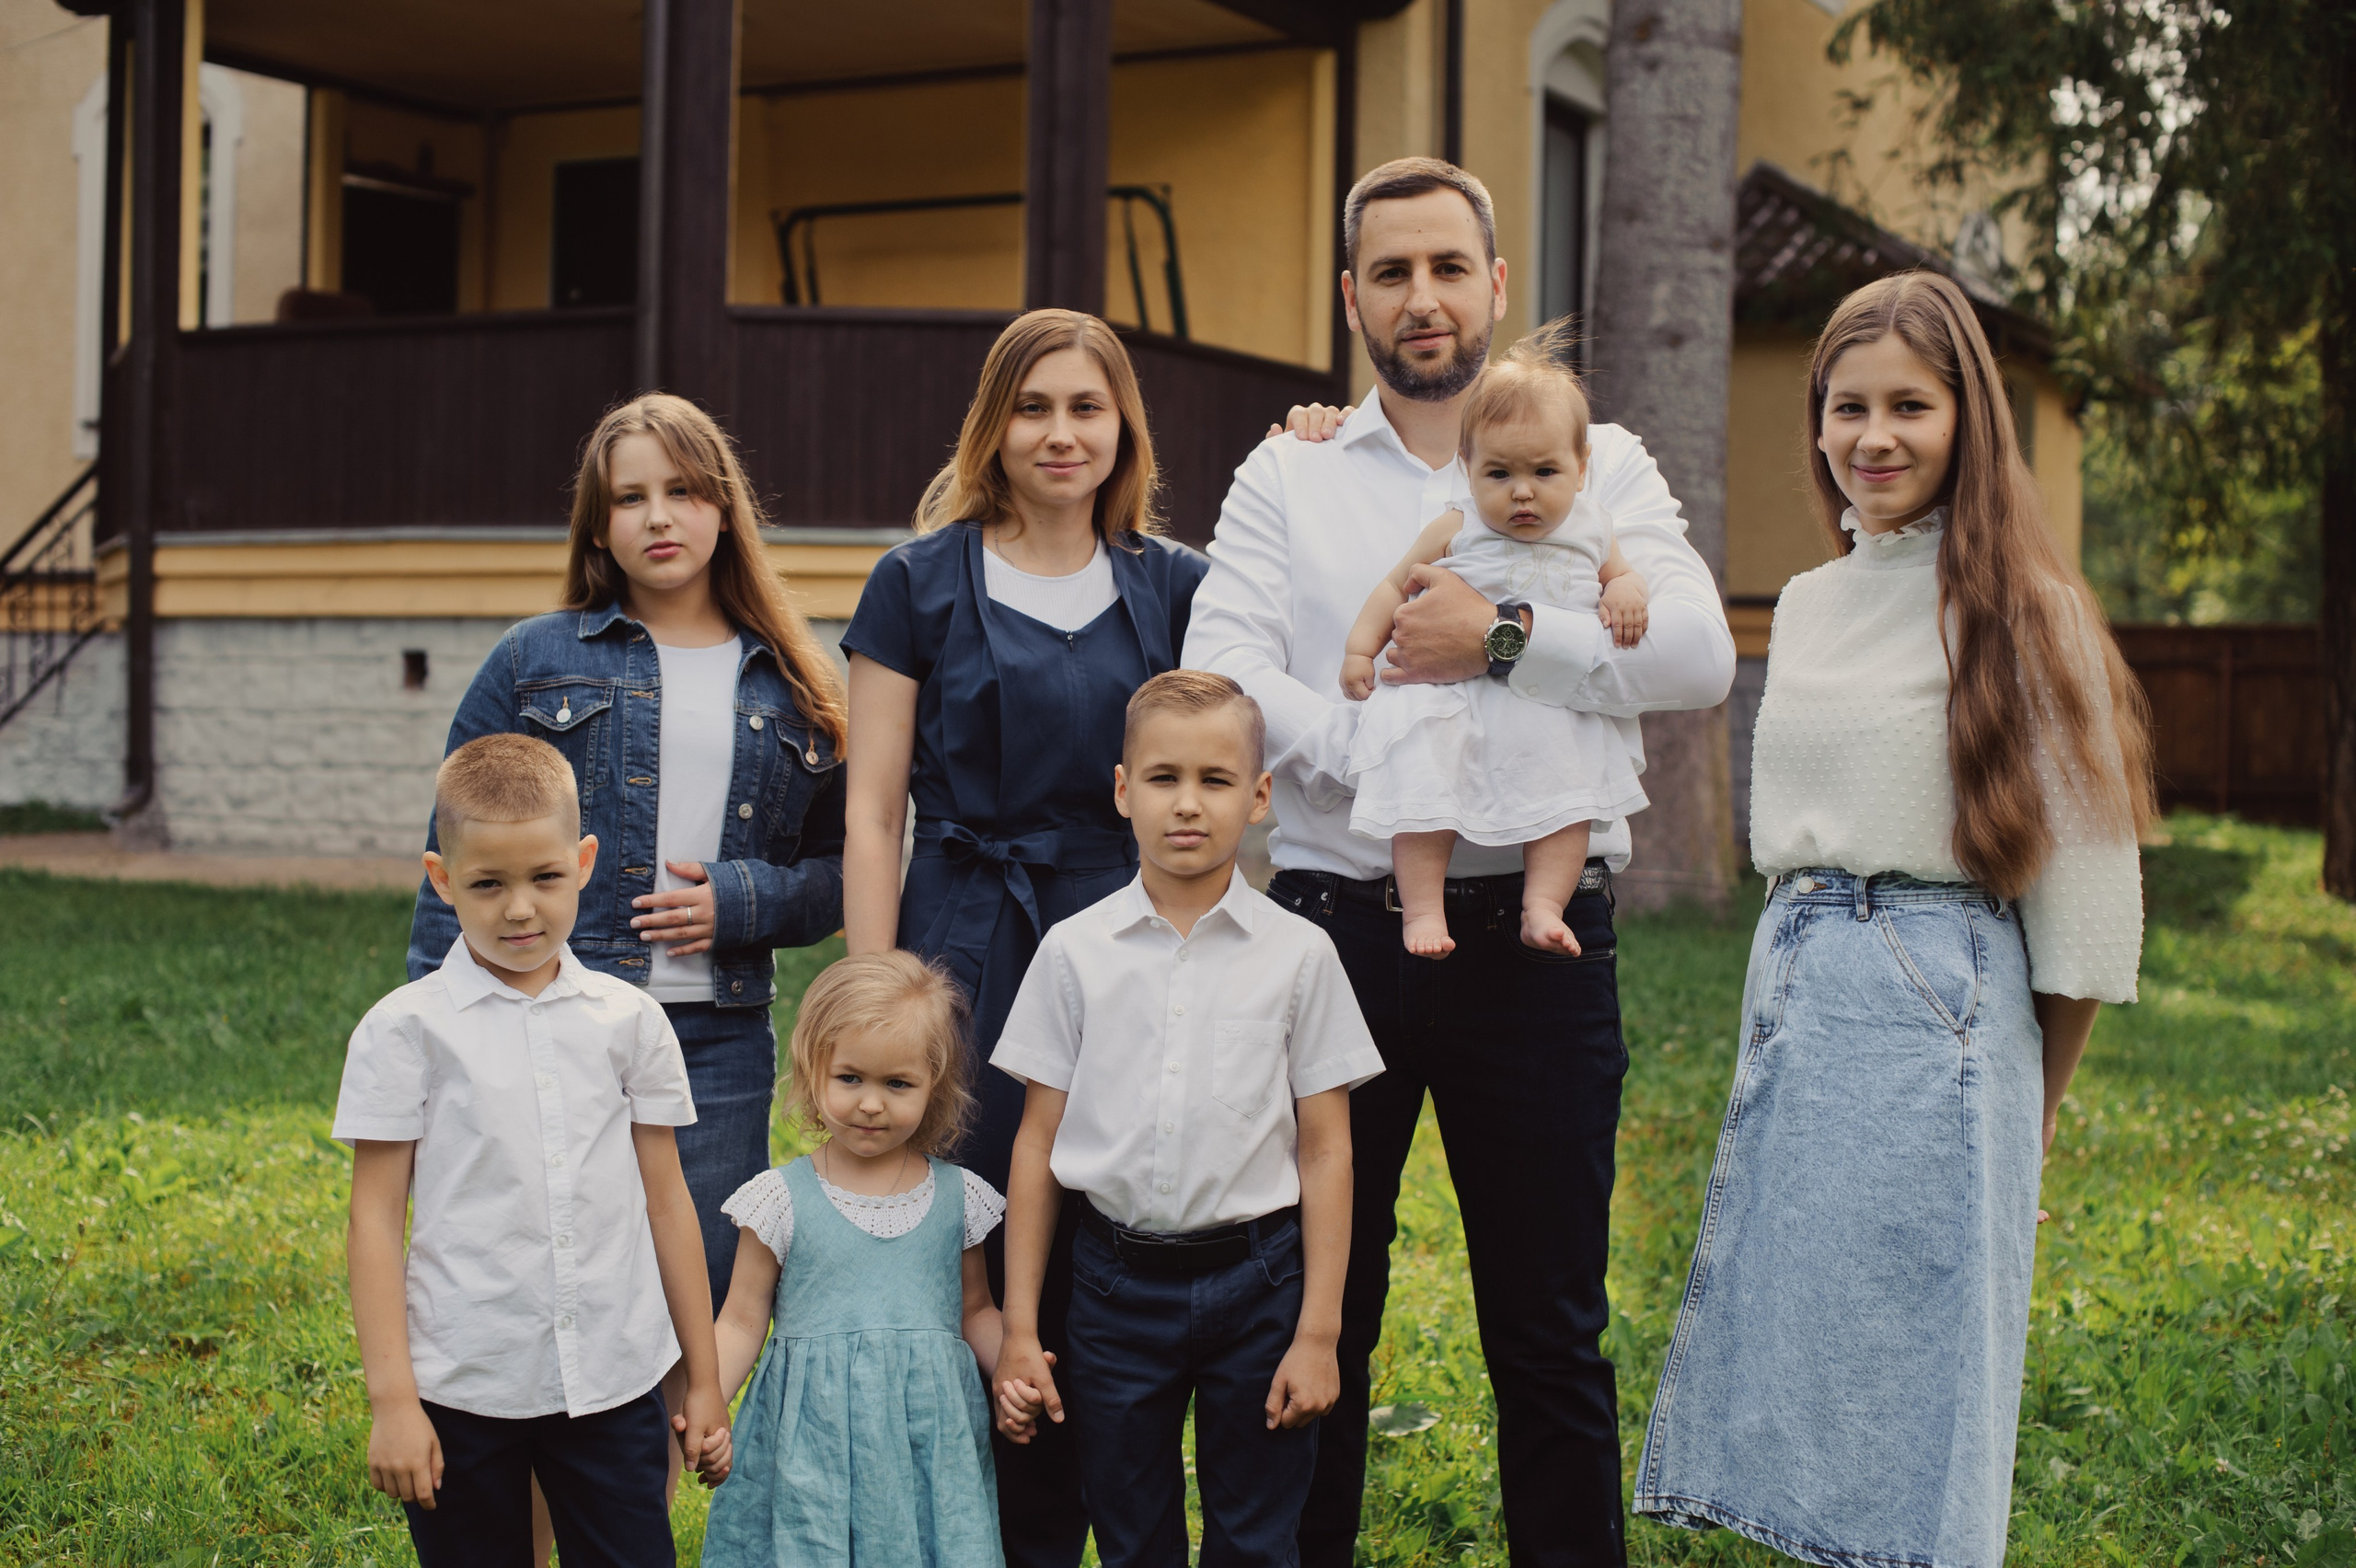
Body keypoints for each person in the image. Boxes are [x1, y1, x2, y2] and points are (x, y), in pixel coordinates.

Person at [1184, 156, 1736, 1567]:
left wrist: (1492, 648)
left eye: (1447, 268)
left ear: (1496, 284)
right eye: (1390, 272)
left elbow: (1694, 656)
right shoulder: (1289, 468)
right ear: (1351, 297)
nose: (1421, 299)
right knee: (1318, 1311)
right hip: (1332, 938)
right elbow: (1225, 670)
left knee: (1550, 1330)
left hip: (1544, 944)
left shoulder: (1598, 457)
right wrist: (1403, 757)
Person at [1631, 271, 2153, 1568]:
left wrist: (2031, 1114)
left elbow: (2084, 902)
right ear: (1814, 424)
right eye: (1847, 406)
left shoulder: (2033, 613)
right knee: (1806, 1351)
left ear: (1969, 419)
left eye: (1910, 406)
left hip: (1945, 1002)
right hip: (1802, 985)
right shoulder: (1808, 603)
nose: (1875, 437)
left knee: (1927, 1370)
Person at [838, 308, 1207, 1566]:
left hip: (1131, 945)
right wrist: (878, 987)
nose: (1060, 433)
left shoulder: (1176, 586)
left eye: (1085, 408)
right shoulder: (916, 582)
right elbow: (874, 809)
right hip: (964, 941)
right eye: (1034, 408)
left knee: (1118, 1234)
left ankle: (1133, 1512)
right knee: (982, 1244)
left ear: (1122, 430)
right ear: (994, 429)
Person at [409, 391, 847, 1321]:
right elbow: (447, 860)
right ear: (598, 529)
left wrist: (743, 900)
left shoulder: (798, 679)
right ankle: (538, 1469)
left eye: (684, 491)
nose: (658, 516)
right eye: (629, 497)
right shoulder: (533, 661)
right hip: (548, 1018)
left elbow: (843, 871)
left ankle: (639, 1475)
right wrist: (434, 1031)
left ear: (723, 510)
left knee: (699, 1286)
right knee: (545, 1277)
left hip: (715, 1040)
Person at [990, 671, 1383, 1568]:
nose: (1188, 804)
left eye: (1215, 780)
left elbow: (1327, 1151)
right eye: (1163, 778)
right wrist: (1020, 1326)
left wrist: (1318, 1333)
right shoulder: (1074, 953)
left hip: (1261, 1287)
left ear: (1259, 797)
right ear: (1124, 789)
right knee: (1132, 1540)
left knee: (1255, 1539)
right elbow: (1036, 1145)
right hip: (1112, 1290)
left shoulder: (1300, 954)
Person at [339, 733, 730, 1568]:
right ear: (442, 880)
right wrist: (394, 1400)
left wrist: (702, 1380)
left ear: (584, 861)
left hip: (613, 1384)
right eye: (487, 884)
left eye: (545, 878)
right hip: (464, 1388)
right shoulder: (404, 1032)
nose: (521, 909)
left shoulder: (629, 1021)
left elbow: (668, 1202)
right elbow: (375, 1220)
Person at [1329, 321, 1651, 958]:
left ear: (1581, 469)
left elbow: (1623, 576)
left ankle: (1543, 904)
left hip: (1546, 701)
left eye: (1545, 471)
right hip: (1451, 701)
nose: (1523, 491)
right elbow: (1396, 587)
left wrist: (1625, 594)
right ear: (1467, 468)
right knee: (1422, 791)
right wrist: (1359, 649)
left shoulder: (1592, 529)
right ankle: (1422, 910)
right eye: (1499, 473)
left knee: (1570, 801)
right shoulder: (1455, 525)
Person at [699, 951, 1008, 1568]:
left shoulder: (959, 1198)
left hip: (926, 1438)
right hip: (808, 1438)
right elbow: (740, 1320)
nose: (871, 1104)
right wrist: (708, 1401)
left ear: (934, 1087)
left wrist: (1014, 1370)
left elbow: (975, 1309)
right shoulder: (780, 1199)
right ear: (814, 1072)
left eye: (898, 1084)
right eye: (850, 1079)